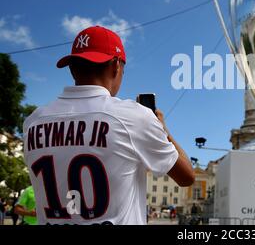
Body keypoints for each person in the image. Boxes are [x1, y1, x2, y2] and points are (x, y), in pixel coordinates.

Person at [23, 26, 194, 225]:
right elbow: (186, 177)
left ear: (71, 68)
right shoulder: (134, 117)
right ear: (116, 66)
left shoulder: (33, 122)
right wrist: (163, 129)